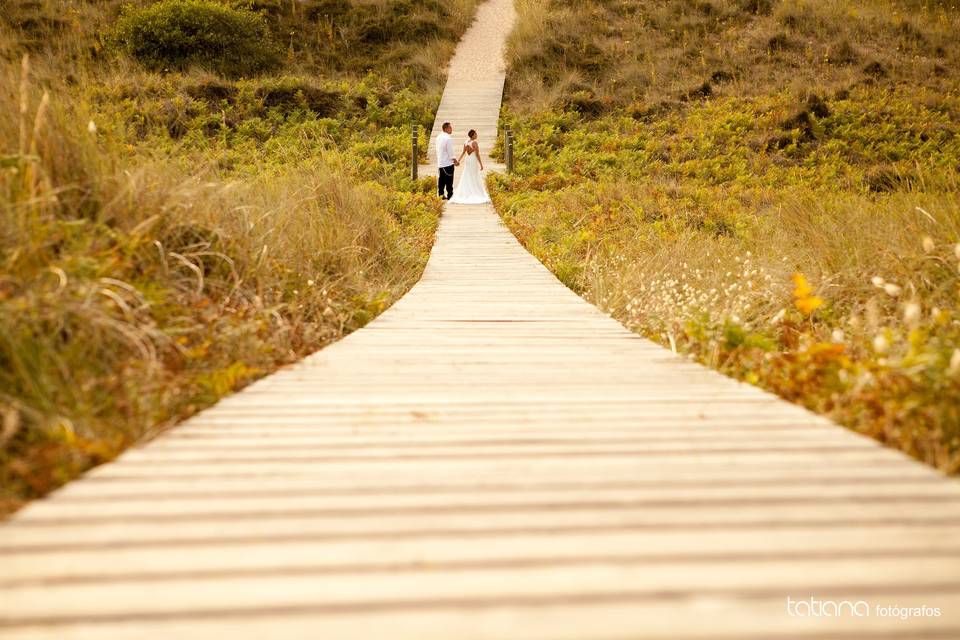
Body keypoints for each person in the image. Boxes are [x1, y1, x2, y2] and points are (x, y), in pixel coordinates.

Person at [450, 129, 491, 205]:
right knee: (474, 175)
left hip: (467, 160)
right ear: (472, 135)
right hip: (472, 160)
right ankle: (474, 191)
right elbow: (477, 154)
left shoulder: (466, 142)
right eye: (475, 134)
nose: (476, 135)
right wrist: (481, 164)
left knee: (467, 174)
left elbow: (463, 153)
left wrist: (458, 160)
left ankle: (467, 191)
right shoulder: (474, 143)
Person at [436, 122, 458, 200]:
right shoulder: (448, 138)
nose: (451, 129)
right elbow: (450, 151)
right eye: (450, 128)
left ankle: (441, 195)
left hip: (440, 162)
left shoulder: (438, 137)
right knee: (449, 180)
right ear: (446, 129)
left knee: (441, 180)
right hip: (447, 163)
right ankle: (450, 195)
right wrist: (455, 161)